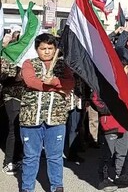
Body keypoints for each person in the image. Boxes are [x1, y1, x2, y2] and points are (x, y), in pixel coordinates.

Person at [19, 33, 75, 192]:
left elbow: (70, 83)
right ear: (37, 49)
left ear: (55, 49)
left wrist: (56, 81)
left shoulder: (63, 66)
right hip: (31, 118)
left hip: (56, 118)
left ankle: (57, 186)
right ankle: (27, 188)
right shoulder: (29, 63)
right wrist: (57, 88)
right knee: (31, 157)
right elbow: (31, 81)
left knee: (55, 156)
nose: (47, 51)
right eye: (43, 48)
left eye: (50, 48)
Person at [94, 58, 128, 191]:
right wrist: (112, 109)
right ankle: (103, 179)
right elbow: (97, 101)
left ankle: (120, 175)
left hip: (125, 124)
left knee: (122, 152)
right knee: (108, 153)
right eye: (126, 68)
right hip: (110, 123)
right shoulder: (104, 82)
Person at [1, 33, 23, 176]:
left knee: (22, 129)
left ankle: (19, 157)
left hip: (26, 97)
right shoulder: (7, 57)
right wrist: (16, 75)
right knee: (13, 129)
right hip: (12, 97)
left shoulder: (28, 58)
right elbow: (3, 76)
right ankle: (9, 161)